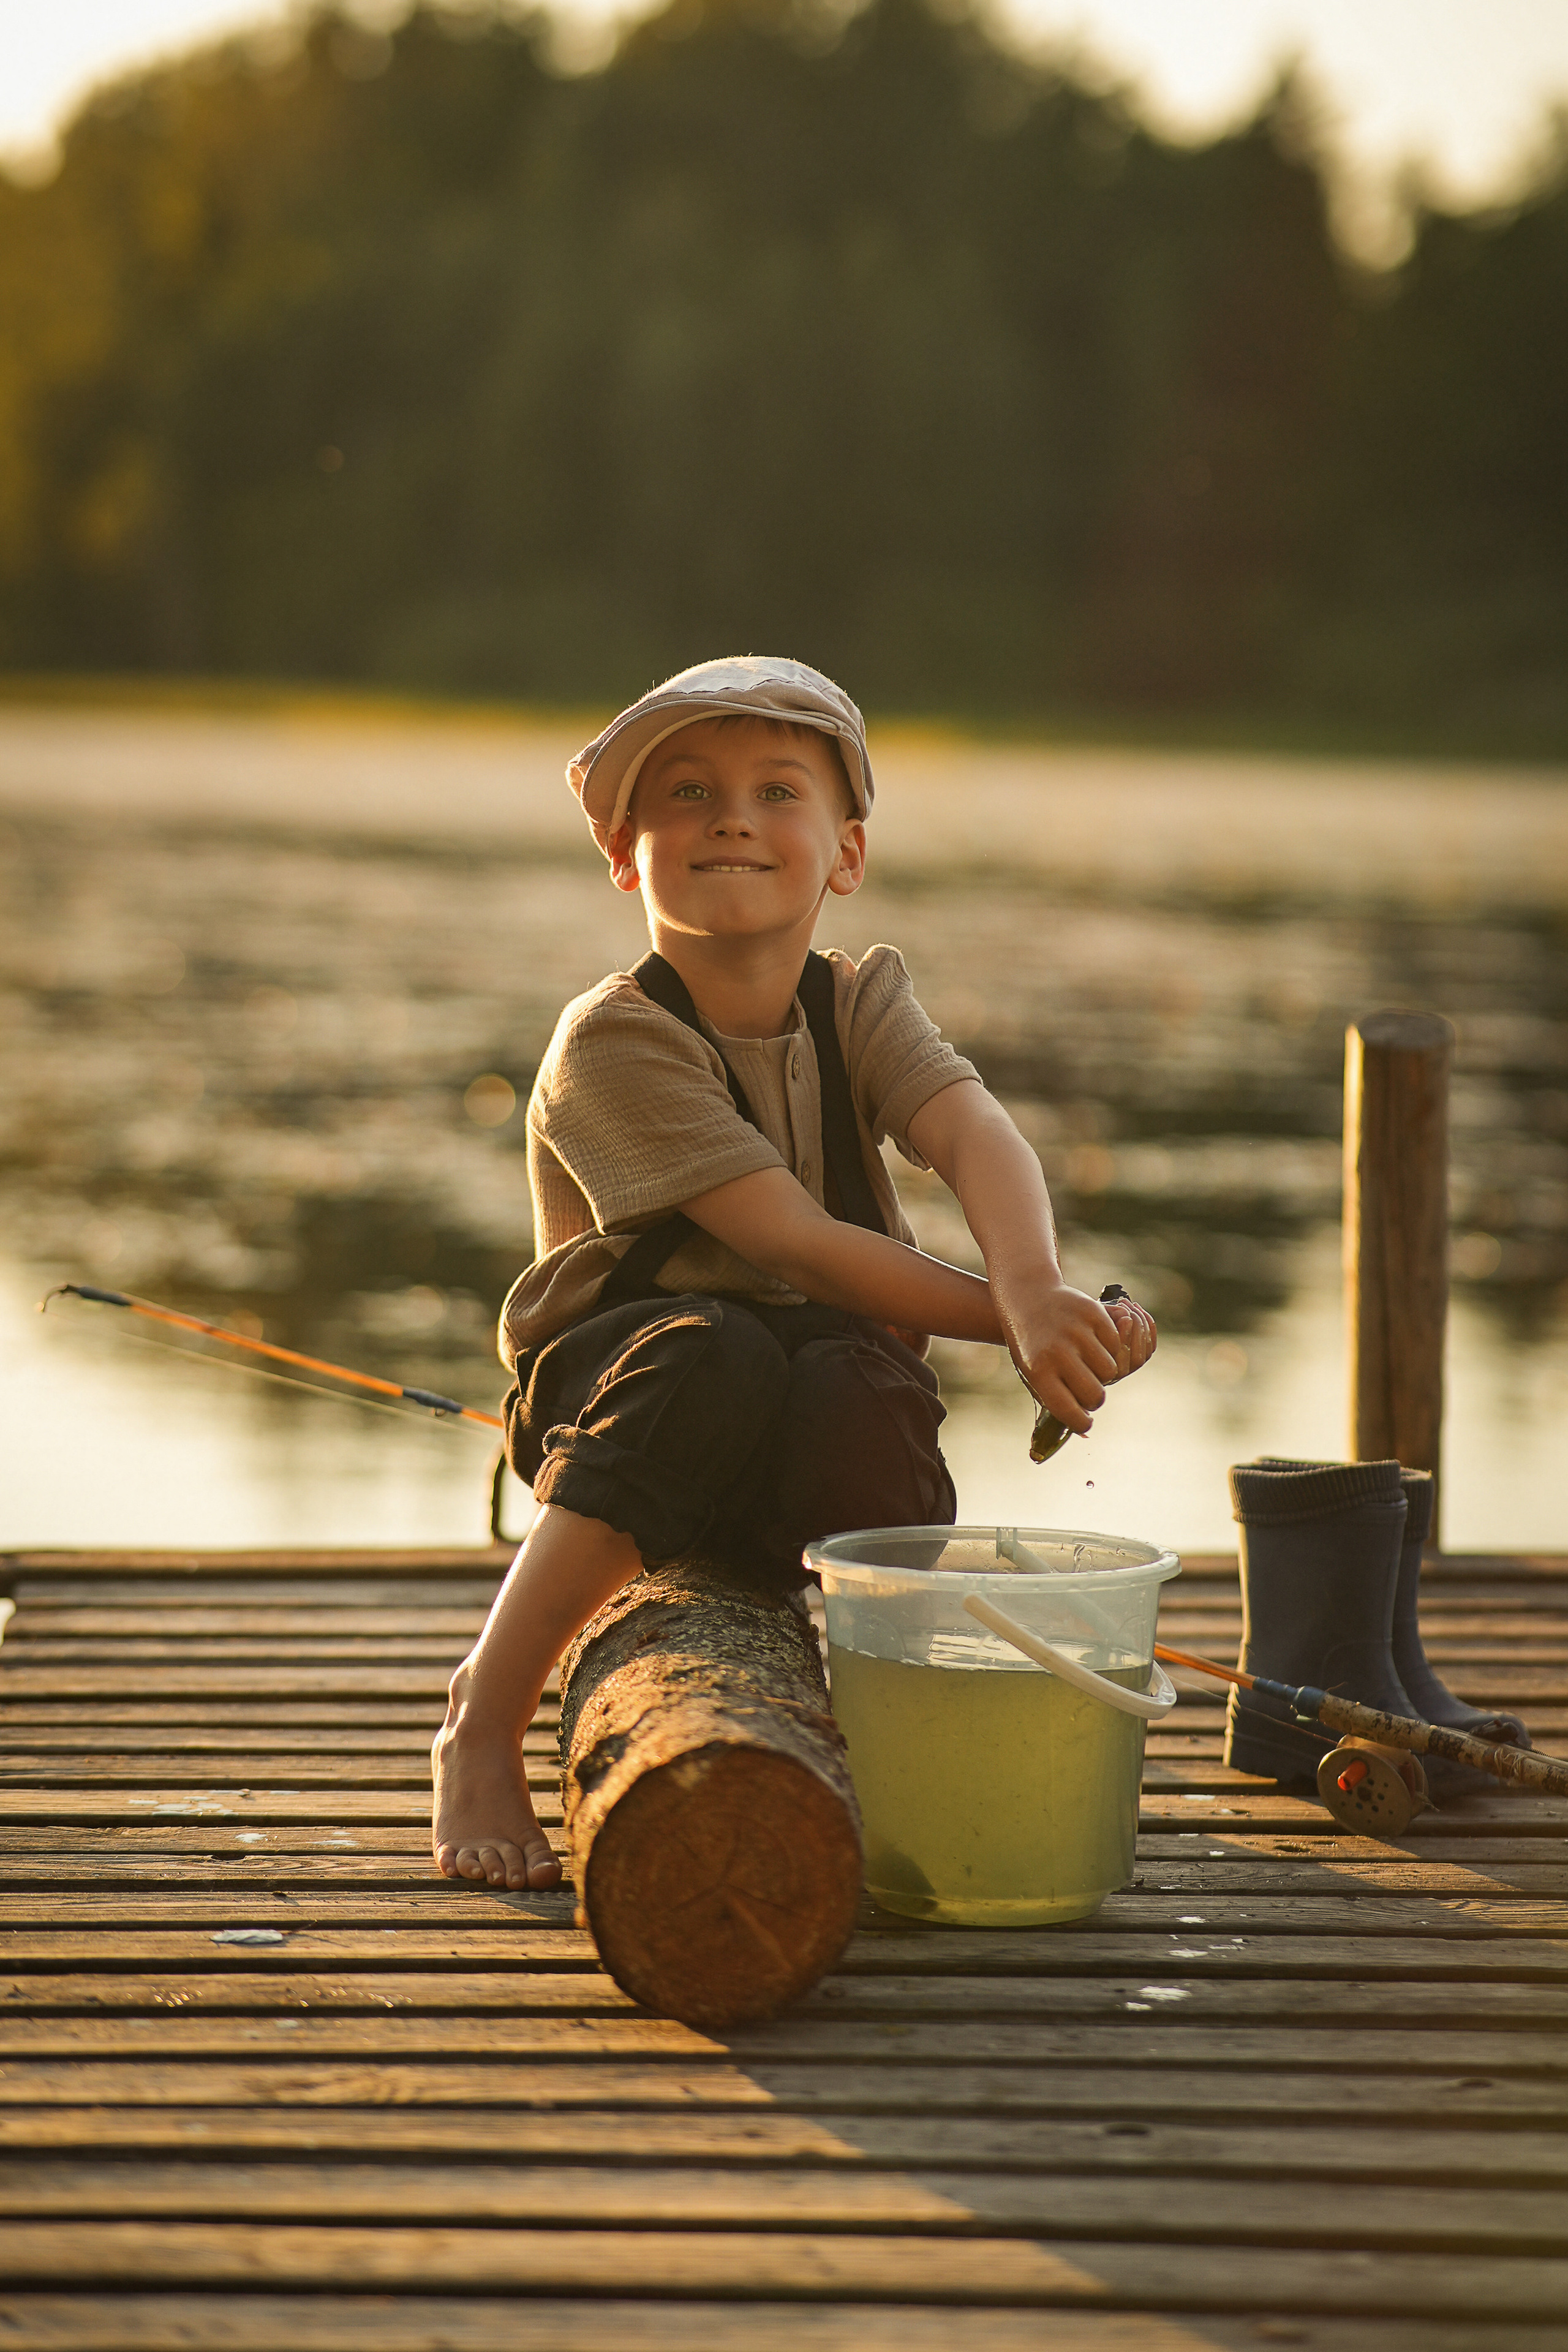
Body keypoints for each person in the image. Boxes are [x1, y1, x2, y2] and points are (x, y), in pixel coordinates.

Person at [431, 655, 1156, 1892]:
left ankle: (868, 1728)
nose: (730, 818)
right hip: (632, 1402)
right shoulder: (612, 1038)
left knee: (856, 1386)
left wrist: (1041, 1294)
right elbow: (791, 1242)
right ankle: (480, 1721)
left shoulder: (859, 1000)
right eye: (687, 795)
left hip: (796, 1404)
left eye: (778, 791)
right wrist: (1020, 1326)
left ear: (844, 854)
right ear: (623, 856)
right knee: (717, 1349)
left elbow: (971, 1133)